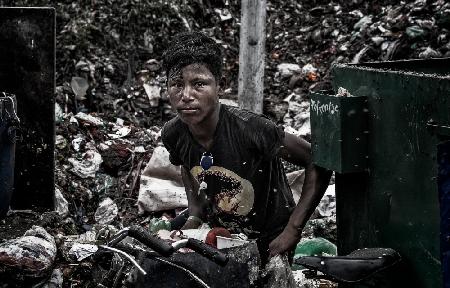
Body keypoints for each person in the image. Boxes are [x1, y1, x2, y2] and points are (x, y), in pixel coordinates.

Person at [161, 31, 331, 265]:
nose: (186, 95)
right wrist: (195, 213)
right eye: (177, 84)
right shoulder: (173, 133)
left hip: (270, 237)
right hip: (222, 233)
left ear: (219, 85)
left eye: (199, 84)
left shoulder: (251, 129)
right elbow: (186, 165)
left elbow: (316, 160)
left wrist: (293, 229)